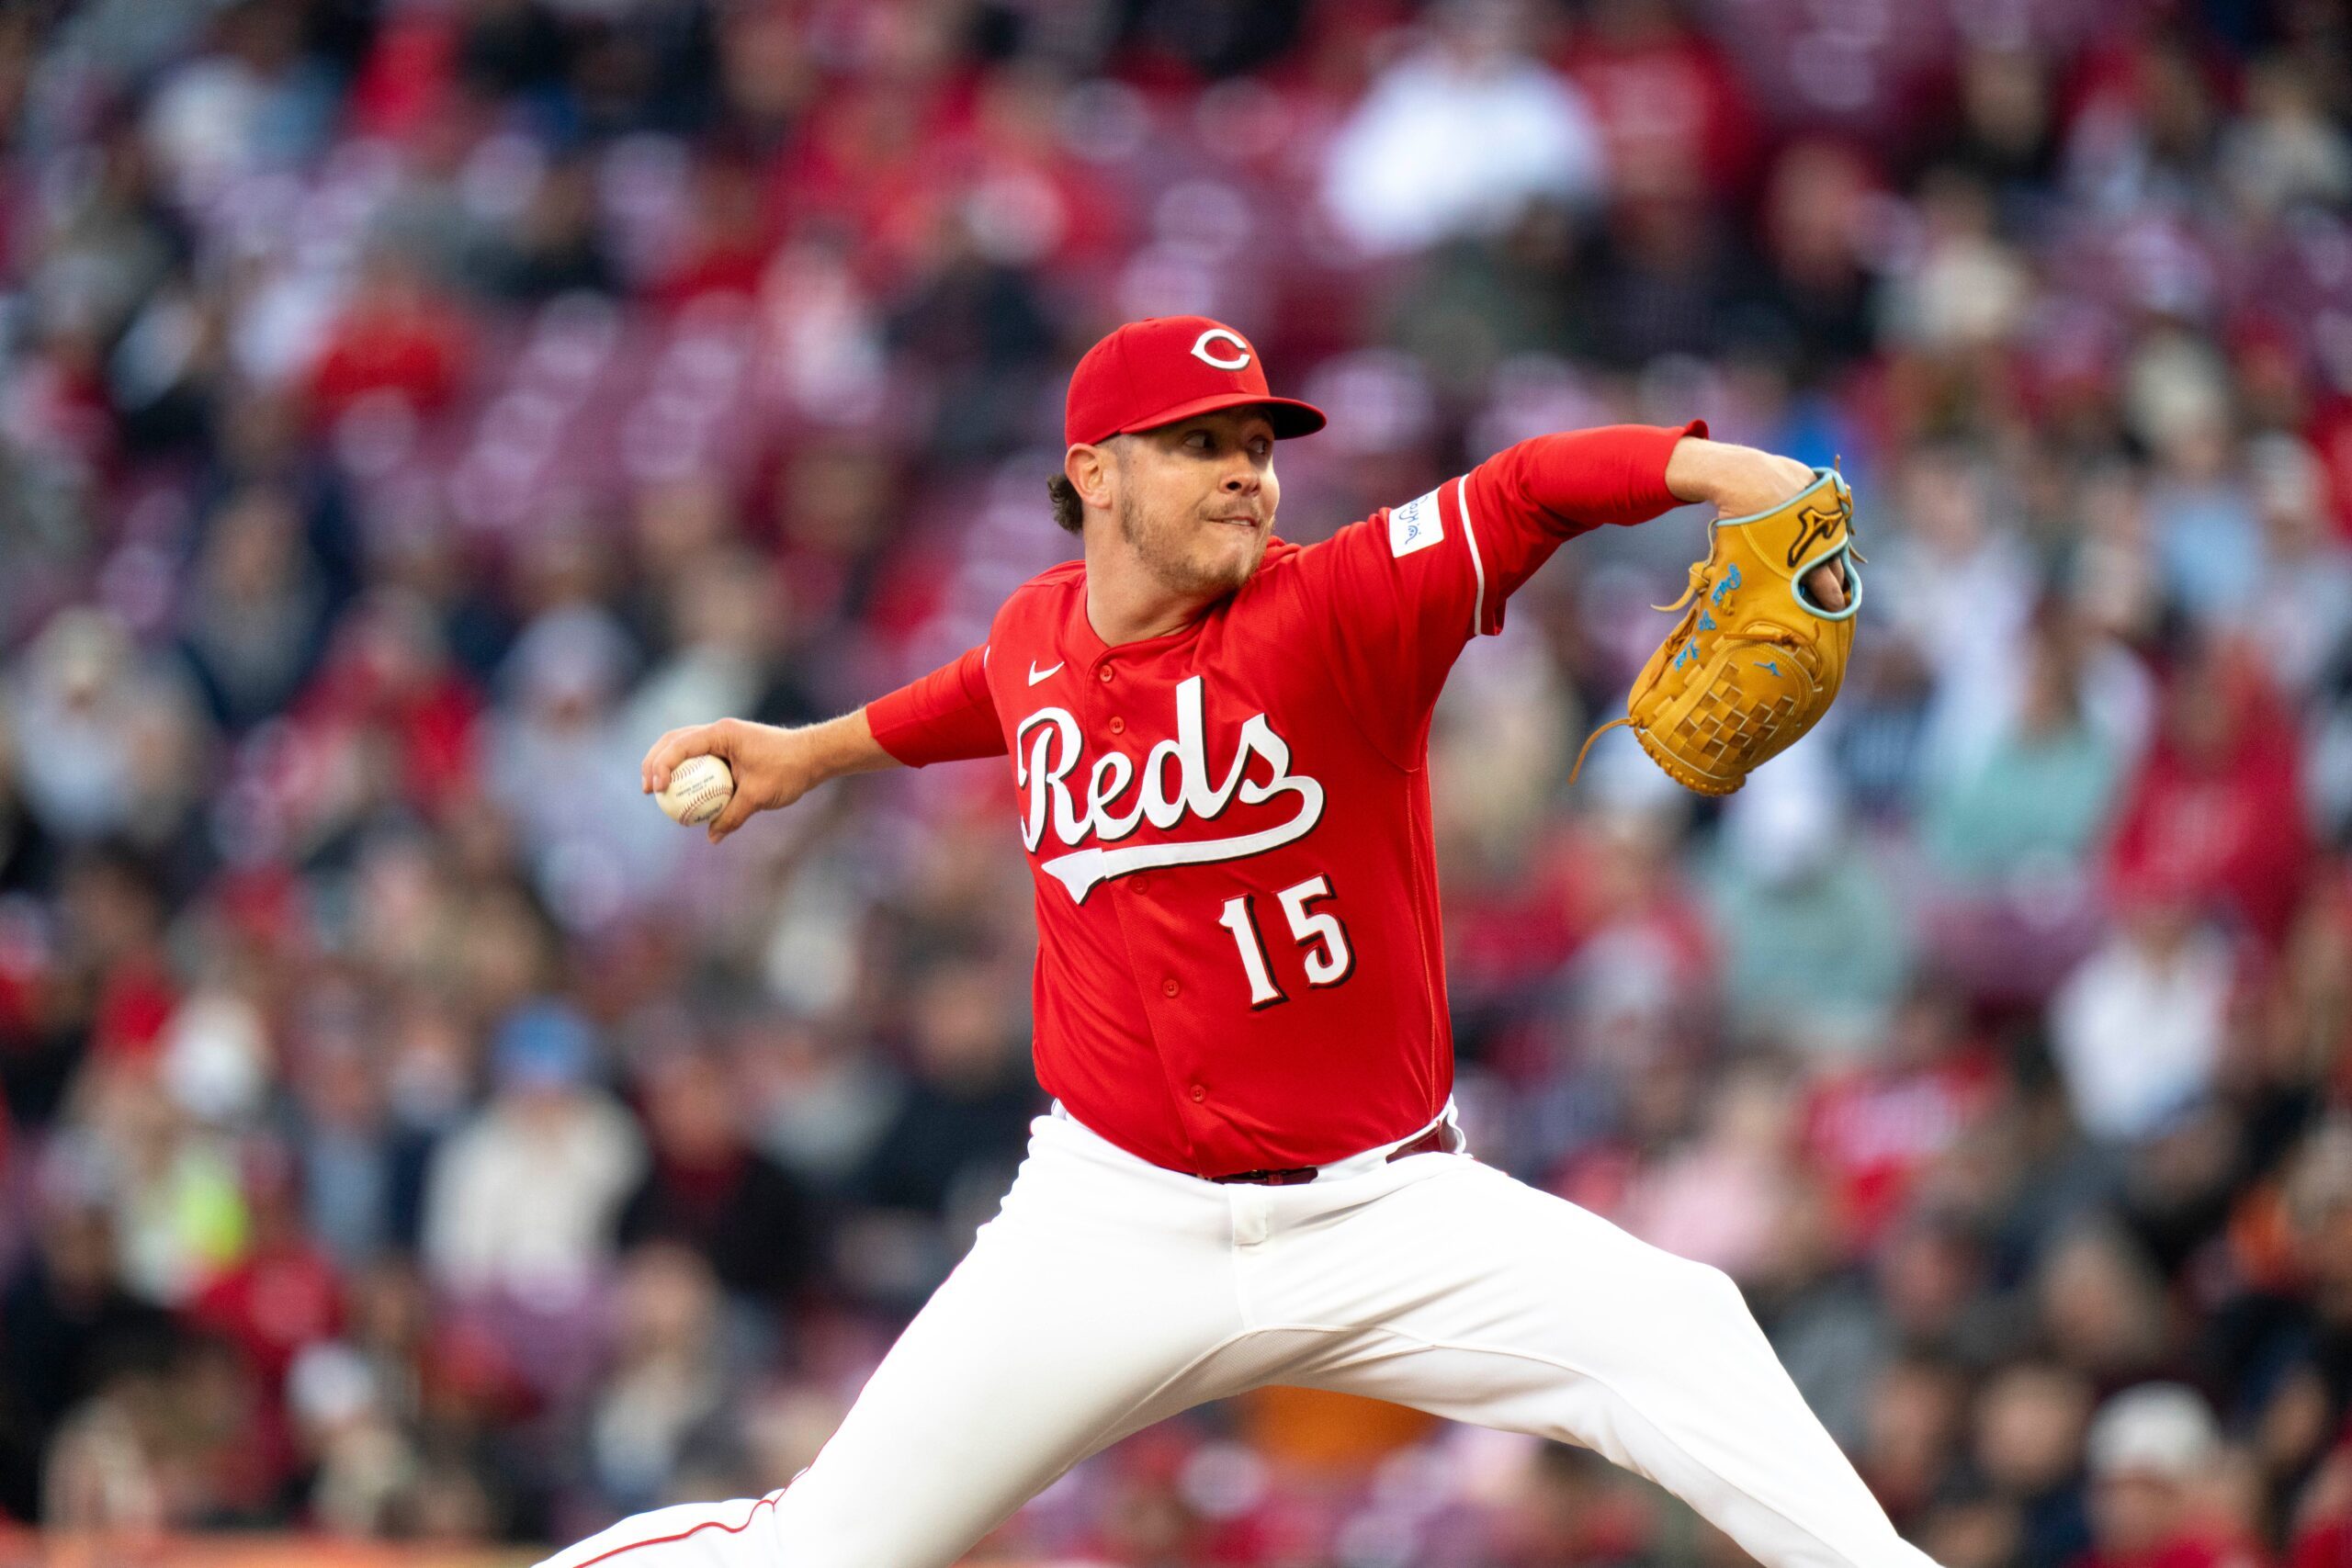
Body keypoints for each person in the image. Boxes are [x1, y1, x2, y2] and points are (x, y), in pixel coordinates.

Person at [548, 316, 1911, 1568]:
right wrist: (812, 751)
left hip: (1382, 1211)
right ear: (1094, 474)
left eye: (1258, 446)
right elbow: (987, 695)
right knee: (816, 1552)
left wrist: (1737, 478)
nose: (1247, 473)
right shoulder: (1035, 634)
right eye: (1199, 443)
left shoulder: (1342, 608)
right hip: (1108, 1218)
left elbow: (1530, 485)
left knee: (1680, 1330)